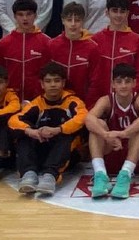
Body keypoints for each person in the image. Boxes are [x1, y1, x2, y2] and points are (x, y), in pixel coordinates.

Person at [9, 62, 87, 196]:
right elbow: (13, 120)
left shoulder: (73, 102)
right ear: (42, 84)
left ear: (63, 83)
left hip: (67, 154)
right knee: (23, 134)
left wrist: (58, 130)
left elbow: (82, 118)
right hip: (42, 150)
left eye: (57, 81)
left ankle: (50, 176)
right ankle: (29, 174)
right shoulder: (36, 103)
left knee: (68, 135)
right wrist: (31, 131)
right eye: (48, 81)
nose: (53, 85)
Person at [86, 64, 139, 200]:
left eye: (127, 81)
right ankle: (100, 174)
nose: (123, 85)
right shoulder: (106, 100)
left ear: (134, 83)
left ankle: (125, 174)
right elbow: (88, 119)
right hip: (112, 152)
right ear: (113, 84)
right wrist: (106, 135)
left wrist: (124, 133)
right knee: (97, 125)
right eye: (119, 81)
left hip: (135, 157)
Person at [0, 0, 52, 103]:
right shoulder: (3, 43)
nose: (25, 18)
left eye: (29, 14)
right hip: (11, 100)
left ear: (35, 15)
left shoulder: (47, 42)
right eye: (20, 14)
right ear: (14, 16)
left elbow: (50, 73)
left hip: (39, 100)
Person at [89, 0, 139, 102]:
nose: (118, 15)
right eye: (115, 11)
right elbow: (90, 74)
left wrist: (130, 94)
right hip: (97, 99)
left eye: (122, 11)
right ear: (107, 12)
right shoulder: (95, 40)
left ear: (127, 13)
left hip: (127, 100)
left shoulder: (137, 40)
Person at [47, 2, 100, 104]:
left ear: (83, 22)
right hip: (55, 103)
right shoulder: (52, 45)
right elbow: (44, 77)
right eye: (69, 20)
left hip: (82, 104)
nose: (73, 24)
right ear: (63, 20)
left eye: (77, 20)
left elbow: (95, 82)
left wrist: (88, 105)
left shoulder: (92, 48)